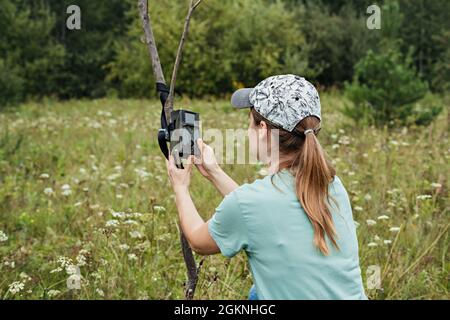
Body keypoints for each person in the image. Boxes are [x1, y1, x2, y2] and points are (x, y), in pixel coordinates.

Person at [166, 74, 367, 300]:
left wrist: (180, 187)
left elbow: (197, 241)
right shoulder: (331, 184)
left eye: (249, 123)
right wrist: (215, 173)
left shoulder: (251, 203)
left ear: (262, 129)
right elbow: (262, 213)